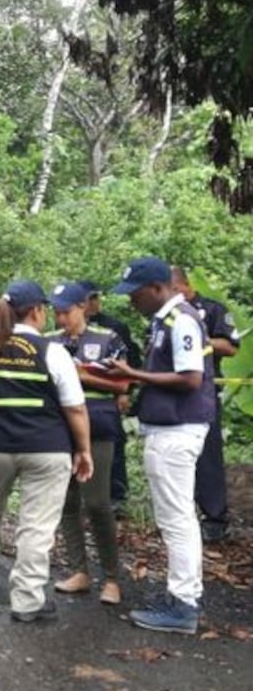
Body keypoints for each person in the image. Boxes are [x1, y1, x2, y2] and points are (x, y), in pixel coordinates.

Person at [0, 280, 92, 624]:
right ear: (36, 311)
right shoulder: (51, 352)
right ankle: (27, 601)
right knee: (36, 525)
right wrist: (84, 450)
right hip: (46, 449)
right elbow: (75, 409)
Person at [106, 257, 215, 635]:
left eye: (135, 294)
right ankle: (181, 595)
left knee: (176, 518)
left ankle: (183, 604)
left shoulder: (181, 319)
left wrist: (132, 374)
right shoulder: (163, 321)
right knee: (176, 516)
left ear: (156, 288)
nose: (131, 301)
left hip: (177, 430)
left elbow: (189, 378)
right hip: (168, 429)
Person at [46, 282, 126, 605]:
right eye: (56, 311)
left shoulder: (108, 339)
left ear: (83, 307)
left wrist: (80, 375)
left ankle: (111, 578)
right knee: (66, 502)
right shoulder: (49, 342)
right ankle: (79, 571)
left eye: (66, 311)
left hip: (99, 426)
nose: (60, 317)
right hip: (59, 428)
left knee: (97, 503)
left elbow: (123, 382)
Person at [171, 265, 241, 543]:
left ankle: (215, 518)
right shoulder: (167, 314)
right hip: (173, 390)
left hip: (205, 389)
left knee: (208, 455)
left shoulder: (211, 309)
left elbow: (230, 346)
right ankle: (183, 515)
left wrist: (199, 340)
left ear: (184, 286)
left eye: (175, 290)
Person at [80, 280, 141, 515]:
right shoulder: (67, 328)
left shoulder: (114, 328)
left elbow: (131, 362)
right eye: (88, 299)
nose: (94, 303)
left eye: (96, 298)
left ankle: (117, 496)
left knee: (114, 445)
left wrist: (126, 392)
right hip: (78, 399)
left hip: (109, 396)